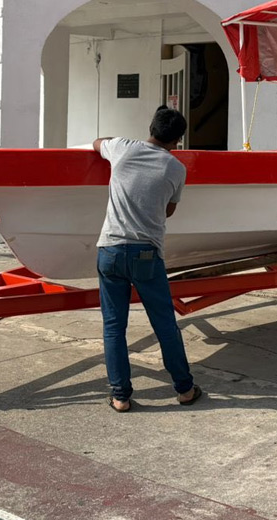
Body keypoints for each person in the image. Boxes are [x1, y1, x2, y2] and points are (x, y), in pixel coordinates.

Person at [91, 106, 202, 412]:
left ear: (150, 128)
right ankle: (184, 389)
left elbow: (97, 142)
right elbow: (168, 210)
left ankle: (120, 396)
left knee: (114, 327)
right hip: (145, 253)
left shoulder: (122, 149)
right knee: (165, 324)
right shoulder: (176, 168)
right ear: (177, 140)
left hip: (110, 249)